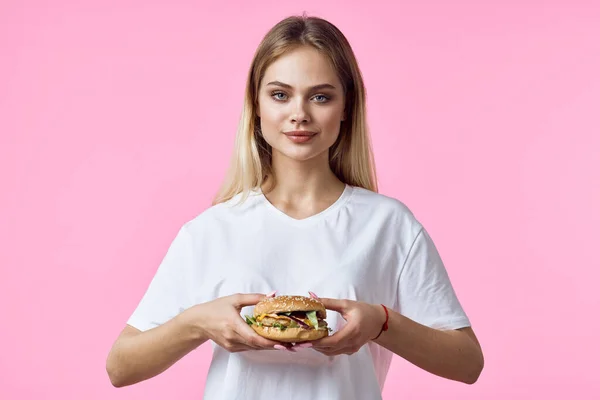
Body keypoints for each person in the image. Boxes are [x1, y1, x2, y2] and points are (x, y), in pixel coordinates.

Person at [106, 14, 484, 399]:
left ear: (346, 107)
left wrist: (382, 323)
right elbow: (121, 366)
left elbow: (468, 363)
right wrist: (198, 323)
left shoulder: (388, 225)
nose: (299, 113)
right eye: (280, 94)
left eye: (320, 96)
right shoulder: (211, 230)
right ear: (256, 105)